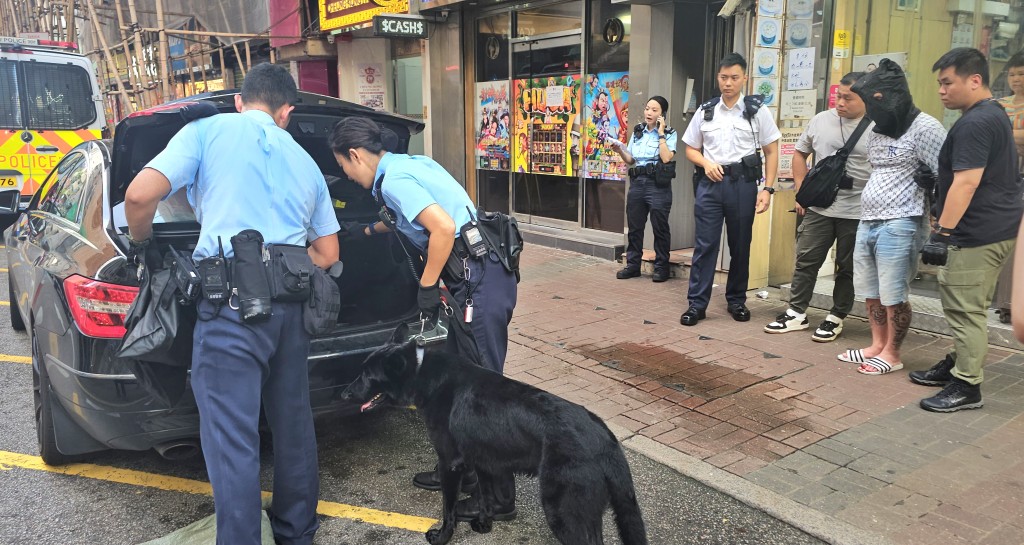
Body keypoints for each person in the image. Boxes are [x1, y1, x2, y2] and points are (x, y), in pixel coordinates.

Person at [124, 63, 339, 545]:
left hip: (231, 312)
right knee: (293, 426)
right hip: (292, 313)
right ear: (286, 112)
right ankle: (296, 533)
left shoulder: (207, 129)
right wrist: (278, 260)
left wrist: (144, 247)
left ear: (240, 102)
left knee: (232, 438)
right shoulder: (305, 159)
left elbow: (139, 196)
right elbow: (328, 253)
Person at [327, 117, 519, 522]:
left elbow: (443, 227)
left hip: (478, 282)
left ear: (356, 155)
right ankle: (461, 471)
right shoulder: (407, 165)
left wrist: (428, 287)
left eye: (342, 165)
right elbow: (405, 217)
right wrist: (362, 232)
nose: (343, 173)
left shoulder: (395, 179)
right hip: (478, 276)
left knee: (483, 394)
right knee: (454, 383)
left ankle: (498, 501)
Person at [912, 48, 1023, 411]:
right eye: (939, 84)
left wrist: (942, 234)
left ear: (974, 80)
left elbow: (968, 182)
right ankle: (958, 363)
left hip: (976, 232)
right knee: (967, 304)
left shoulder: (976, 122)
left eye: (948, 83)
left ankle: (967, 385)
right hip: (993, 227)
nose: (942, 91)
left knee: (965, 309)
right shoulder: (993, 114)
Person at [838, 58, 946, 376]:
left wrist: (937, 211)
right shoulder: (878, 128)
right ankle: (876, 345)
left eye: (874, 104)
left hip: (903, 220)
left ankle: (893, 353)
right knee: (871, 290)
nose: (871, 112)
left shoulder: (926, 128)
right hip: (868, 217)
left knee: (893, 292)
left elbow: (946, 177)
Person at [764, 72, 871, 342]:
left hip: (859, 211)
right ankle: (796, 312)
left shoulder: (878, 127)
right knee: (806, 260)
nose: (841, 102)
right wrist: (803, 193)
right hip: (820, 208)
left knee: (846, 267)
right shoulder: (821, 120)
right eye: (839, 95)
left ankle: (836, 316)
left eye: (849, 98)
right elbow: (800, 153)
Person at [680, 53, 781, 325]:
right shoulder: (706, 110)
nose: (728, 83)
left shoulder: (757, 111)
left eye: (734, 78)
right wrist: (705, 162)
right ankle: (697, 304)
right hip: (710, 185)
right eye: (724, 77)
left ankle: (736, 301)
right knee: (705, 245)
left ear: (744, 78)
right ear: (718, 78)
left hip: (742, 185)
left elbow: (772, 151)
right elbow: (690, 148)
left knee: (740, 246)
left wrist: (767, 189)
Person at [610, 96, 677, 282]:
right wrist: (620, 151)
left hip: (658, 185)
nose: (649, 112)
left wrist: (661, 133)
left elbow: (666, 158)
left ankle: (661, 267)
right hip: (638, 183)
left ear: (662, 114)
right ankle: (633, 266)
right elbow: (631, 160)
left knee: (660, 227)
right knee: (635, 227)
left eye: (654, 110)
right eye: (647, 108)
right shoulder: (638, 132)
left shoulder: (670, 133)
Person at [997, 51, 1024, 165]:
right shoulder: (999, 104)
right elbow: (988, 132)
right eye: (1011, 75)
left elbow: (994, 134)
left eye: (1021, 74)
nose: (1016, 79)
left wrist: (1000, 137)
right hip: (1001, 171)